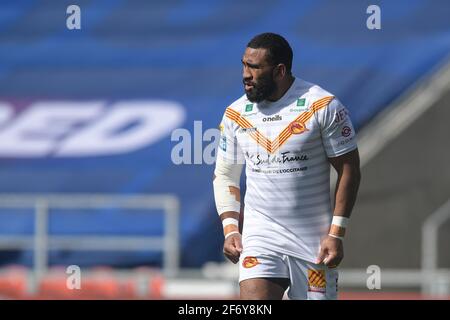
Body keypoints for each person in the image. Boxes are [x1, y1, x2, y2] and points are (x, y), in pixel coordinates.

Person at [213, 32, 361, 300]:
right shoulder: (235, 114)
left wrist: (336, 233)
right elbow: (225, 175)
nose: (246, 74)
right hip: (261, 237)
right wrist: (231, 229)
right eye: (244, 65)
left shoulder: (323, 106)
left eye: (255, 68)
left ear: (280, 70)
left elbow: (349, 168)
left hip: (313, 243)